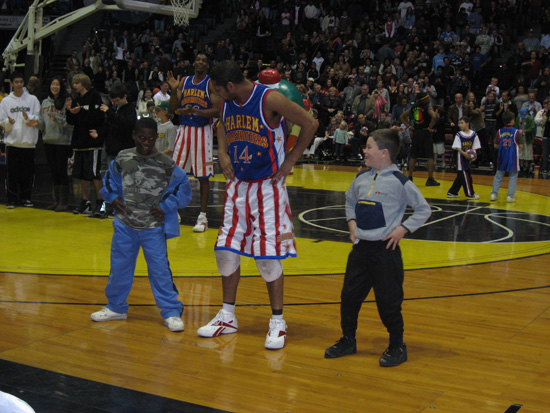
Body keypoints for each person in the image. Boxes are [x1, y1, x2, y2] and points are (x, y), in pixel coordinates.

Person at [196, 60, 318, 350]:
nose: (215, 96)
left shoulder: (269, 98)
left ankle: (278, 321)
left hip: (267, 186)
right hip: (238, 184)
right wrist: (223, 153)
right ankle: (227, 316)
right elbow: (223, 124)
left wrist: (291, 159)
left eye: (217, 90)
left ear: (230, 85)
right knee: (225, 251)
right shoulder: (228, 102)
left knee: (267, 257)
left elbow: (310, 123)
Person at [324, 128, 431, 366]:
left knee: (388, 301)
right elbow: (350, 201)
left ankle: (397, 344)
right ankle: (348, 339)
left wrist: (402, 229)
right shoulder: (361, 178)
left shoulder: (400, 181)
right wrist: (352, 225)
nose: (365, 150)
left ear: (384, 153)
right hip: (360, 250)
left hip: (385, 252)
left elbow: (424, 209)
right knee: (349, 297)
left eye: (369, 147)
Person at [90, 118, 192, 331]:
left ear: (156, 138)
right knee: (119, 268)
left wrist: (166, 206)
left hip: (153, 228)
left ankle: (171, 311)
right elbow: (109, 179)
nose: (146, 142)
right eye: (142, 138)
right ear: (134, 136)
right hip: (125, 226)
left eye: (151, 138)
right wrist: (112, 197)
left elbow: (183, 186)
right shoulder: (123, 158)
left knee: (160, 271)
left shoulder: (166, 164)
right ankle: (116, 307)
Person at [167, 53, 222, 233]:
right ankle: (174, 213)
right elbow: (174, 109)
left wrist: (196, 112)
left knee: (203, 176)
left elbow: (217, 111)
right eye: (198, 59)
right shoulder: (184, 81)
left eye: (204, 60)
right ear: (194, 63)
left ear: (207, 65)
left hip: (202, 131)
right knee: (176, 174)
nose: (200, 62)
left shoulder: (210, 84)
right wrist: (174, 90)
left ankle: (203, 217)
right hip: (184, 130)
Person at [66, 73, 106, 215]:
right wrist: (69, 111)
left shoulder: (94, 96)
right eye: (74, 83)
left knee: (94, 173)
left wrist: (81, 111)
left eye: (77, 83)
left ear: (84, 83)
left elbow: (98, 117)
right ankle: (85, 202)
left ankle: (101, 203)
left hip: (92, 140)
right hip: (79, 140)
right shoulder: (76, 98)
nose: (75, 85)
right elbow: (71, 121)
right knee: (82, 173)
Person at [0, 72, 40, 209]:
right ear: (11, 83)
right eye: (16, 82)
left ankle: (25, 198)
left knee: (27, 173)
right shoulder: (6, 101)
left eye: (21, 82)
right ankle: (11, 199)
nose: (19, 84)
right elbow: (2, 120)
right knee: (12, 173)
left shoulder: (32, 99)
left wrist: (29, 117)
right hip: (12, 142)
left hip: (28, 143)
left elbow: (38, 118)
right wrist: (8, 122)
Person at [38, 76, 73, 212]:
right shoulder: (45, 102)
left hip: (62, 141)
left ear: (61, 87)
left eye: (57, 85)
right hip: (48, 140)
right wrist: (35, 124)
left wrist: (57, 118)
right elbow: (42, 122)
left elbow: (69, 123)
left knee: (62, 171)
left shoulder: (66, 101)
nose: (54, 87)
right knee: (53, 171)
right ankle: (56, 200)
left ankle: (64, 202)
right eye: (53, 84)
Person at [400, 92, 440, 186]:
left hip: (416, 132)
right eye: (427, 97)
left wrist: (409, 127)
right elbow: (434, 117)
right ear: (424, 99)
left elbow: (402, 116)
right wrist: (430, 127)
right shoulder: (428, 107)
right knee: (430, 156)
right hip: (425, 132)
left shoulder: (413, 107)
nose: (429, 99)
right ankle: (430, 179)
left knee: (414, 156)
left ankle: (410, 177)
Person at [491, 112, 524, 202]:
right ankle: (510, 196)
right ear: (513, 121)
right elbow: (521, 146)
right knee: (513, 175)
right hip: (512, 157)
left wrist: (503, 147)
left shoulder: (499, 131)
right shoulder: (516, 132)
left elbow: (495, 145)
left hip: (502, 156)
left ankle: (493, 194)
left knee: (499, 175)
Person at [446, 117, 481, 200]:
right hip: (461, 158)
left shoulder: (474, 134)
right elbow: (457, 147)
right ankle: (470, 194)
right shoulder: (459, 135)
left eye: (462, 123)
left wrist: (474, 156)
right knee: (466, 176)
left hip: (468, 158)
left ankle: (452, 192)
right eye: (459, 123)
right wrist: (464, 154)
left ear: (467, 123)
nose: (460, 125)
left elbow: (475, 147)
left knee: (461, 176)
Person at [516, 108, 535, 176]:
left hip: (527, 139)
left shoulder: (529, 119)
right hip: (520, 138)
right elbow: (515, 127)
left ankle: (526, 166)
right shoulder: (518, 118)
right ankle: (521, 166)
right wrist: (518, 131)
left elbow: (532, 128)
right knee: (520, 152)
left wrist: (525, 131)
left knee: (527, 153)